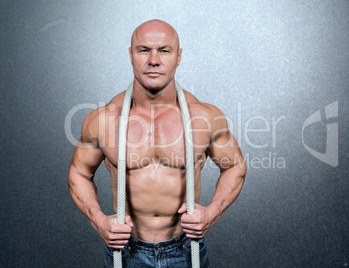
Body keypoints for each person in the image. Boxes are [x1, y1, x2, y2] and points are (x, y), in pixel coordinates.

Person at [68, 19, 247, 267]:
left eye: (164, 50)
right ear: (131, 55)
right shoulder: (104, 119)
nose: (154, 60)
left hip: (186, 249)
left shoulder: (204, 117)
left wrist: (211, 212)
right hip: (126, 251)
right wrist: (99, 221)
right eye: (144, 50)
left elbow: (235, 167)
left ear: (178, 56)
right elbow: (78, 173)